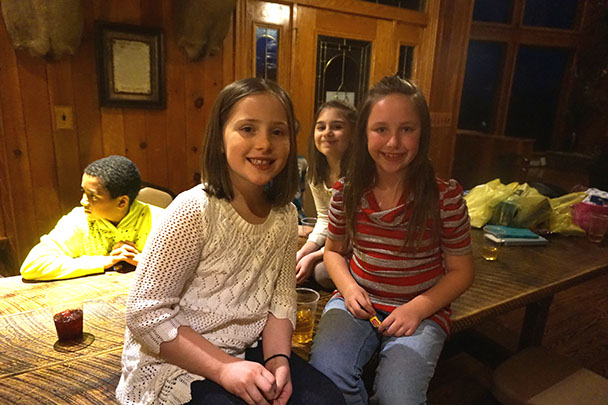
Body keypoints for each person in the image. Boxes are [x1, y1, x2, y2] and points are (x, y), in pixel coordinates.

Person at [115, 78, 345, 405]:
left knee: (329, 400)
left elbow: (281, 299)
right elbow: (144, 314)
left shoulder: (285, 217)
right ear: (220, 139)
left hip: (250, 347)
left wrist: (278, 359)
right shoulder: (194, 209)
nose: (264, 143)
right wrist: (224, 369)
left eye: (277, 132)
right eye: (247, 129)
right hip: (178, 361)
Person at [309, 76, 474, 405]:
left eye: (407, 129)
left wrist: (416, 309)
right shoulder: (346, 191)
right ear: (364, 133)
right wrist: (349, 288)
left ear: (422, 133)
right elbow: (334, 252)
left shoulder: (444, 196)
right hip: (357, 301)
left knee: (397, 397)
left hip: (421, 309)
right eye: (381, 129)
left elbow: (462, 271)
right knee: (327, 379)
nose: (393, 142)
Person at [20, 155, 163, 281]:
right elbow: (32, 266)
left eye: (92, 196)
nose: (83, 201)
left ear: (122, 202)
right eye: (83, 192)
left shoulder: (160, 220)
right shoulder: (78, 220)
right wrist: (104, 261)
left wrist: (146, 261)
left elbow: (179, 269)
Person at [295, 100, 357, 289]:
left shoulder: (359, 175)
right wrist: (303, 252)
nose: (327, 132)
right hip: (335, 245)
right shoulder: (316, 174)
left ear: (354, 134)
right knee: (295, 261)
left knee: (321, 272)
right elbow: (324, 219)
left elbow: (356, 233)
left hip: (359, 247)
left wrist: (314, 256)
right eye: (321, 127)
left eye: (337, 127)